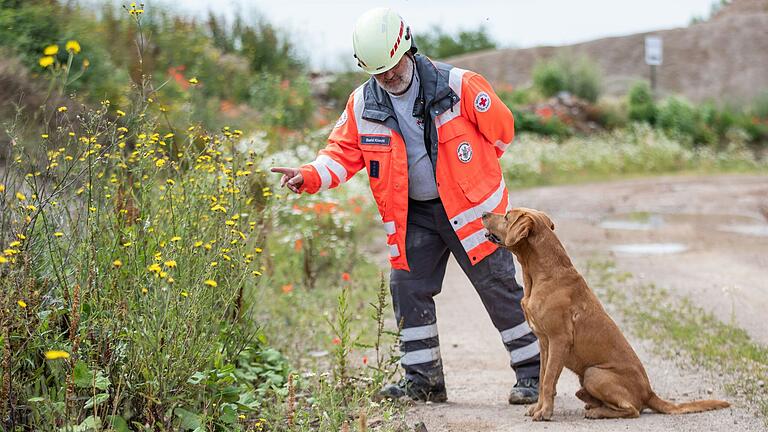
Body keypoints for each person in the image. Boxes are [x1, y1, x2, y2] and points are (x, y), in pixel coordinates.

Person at [271, 7, 540, 404]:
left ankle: (532, 375)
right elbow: (341, 154)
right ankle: (424, 382)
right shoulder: (363, 104)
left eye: (393, 67)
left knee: (498, 287)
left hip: (472, 214)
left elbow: (502, 132)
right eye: (378, 71)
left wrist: (473, 179)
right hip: (415, 215)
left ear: (407, 48)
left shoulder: (460, 85)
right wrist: (309, 175)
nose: (388, 76)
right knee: (407, 287)